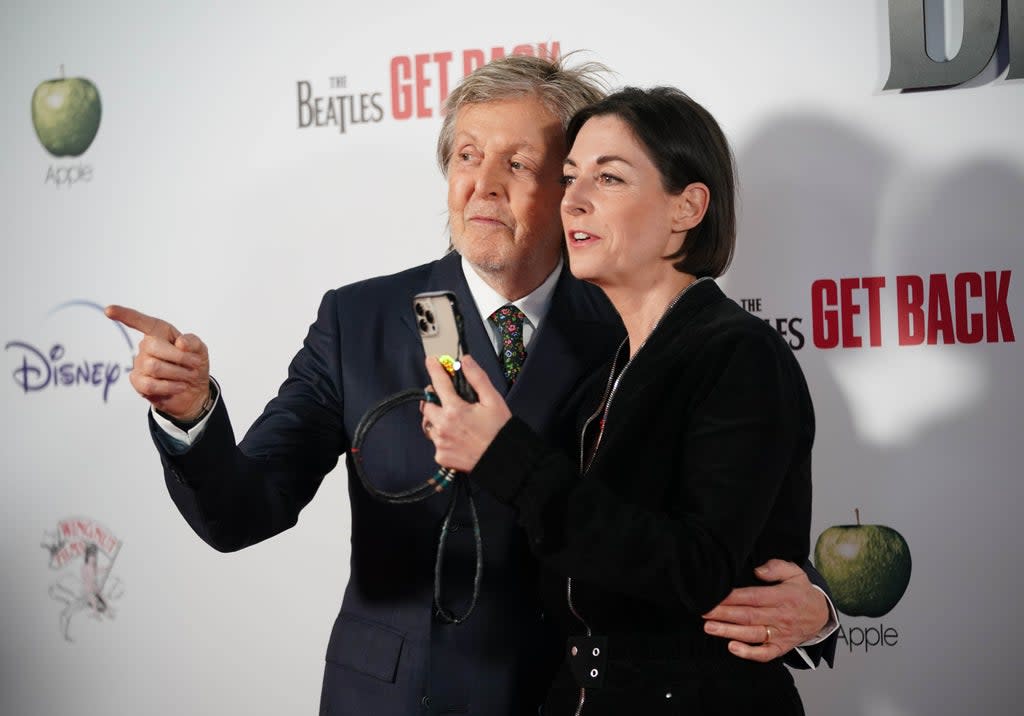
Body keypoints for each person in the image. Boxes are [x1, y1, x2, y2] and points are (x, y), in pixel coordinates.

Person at [106, 56, 835, 716]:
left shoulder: (636, 322)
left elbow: (710, 534)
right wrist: (192, 415)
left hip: (571, 696)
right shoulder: (357, 319)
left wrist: (819, 607)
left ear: (566, 189)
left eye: (520, 163)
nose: (483, 185)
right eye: (466, 156)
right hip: (393, 699)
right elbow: (243, 509)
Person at [421, 85, 819, 714]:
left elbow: (695, 567)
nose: (571, 200)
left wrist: (505, 454)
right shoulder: (615, 365)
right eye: (571, 176)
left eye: (607, 179)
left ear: (687, 207)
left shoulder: (736, 353)